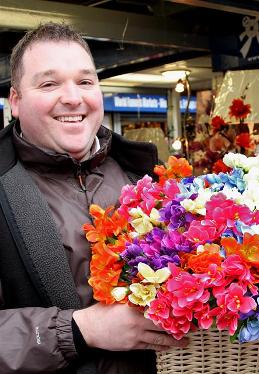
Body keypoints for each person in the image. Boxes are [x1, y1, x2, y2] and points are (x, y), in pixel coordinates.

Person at [0, 22, 188, 374]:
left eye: (85, 81)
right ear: (16, 101)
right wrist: (78, 330)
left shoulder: (148, 177)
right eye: (49, 83)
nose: (73, 97)